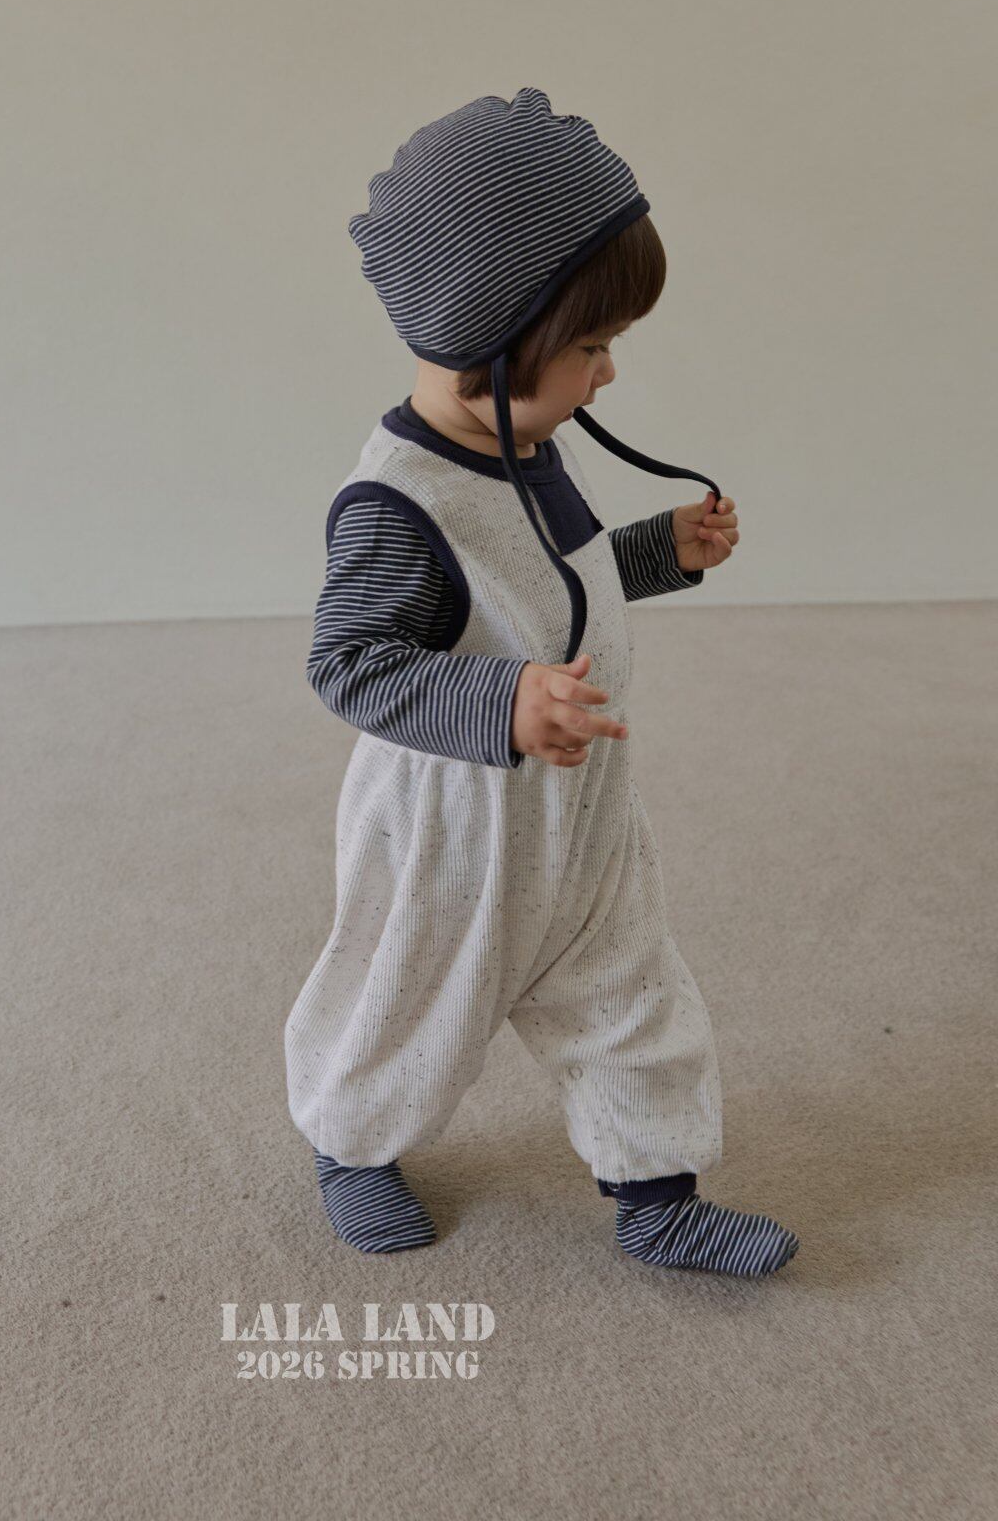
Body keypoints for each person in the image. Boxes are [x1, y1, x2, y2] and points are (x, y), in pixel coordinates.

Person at [282, 86, 800, 1277]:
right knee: (405, 1006)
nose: (607, 373)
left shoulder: (527, 447)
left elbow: (553, 588)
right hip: (453, 829)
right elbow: (347, 665)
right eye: (591, 346)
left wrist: (657, 554)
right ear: (494, 343)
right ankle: (350, 1146)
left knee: (633, 997)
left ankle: (656, 1196)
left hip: (581, 807)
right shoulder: (396, 503)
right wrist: (501, 703)